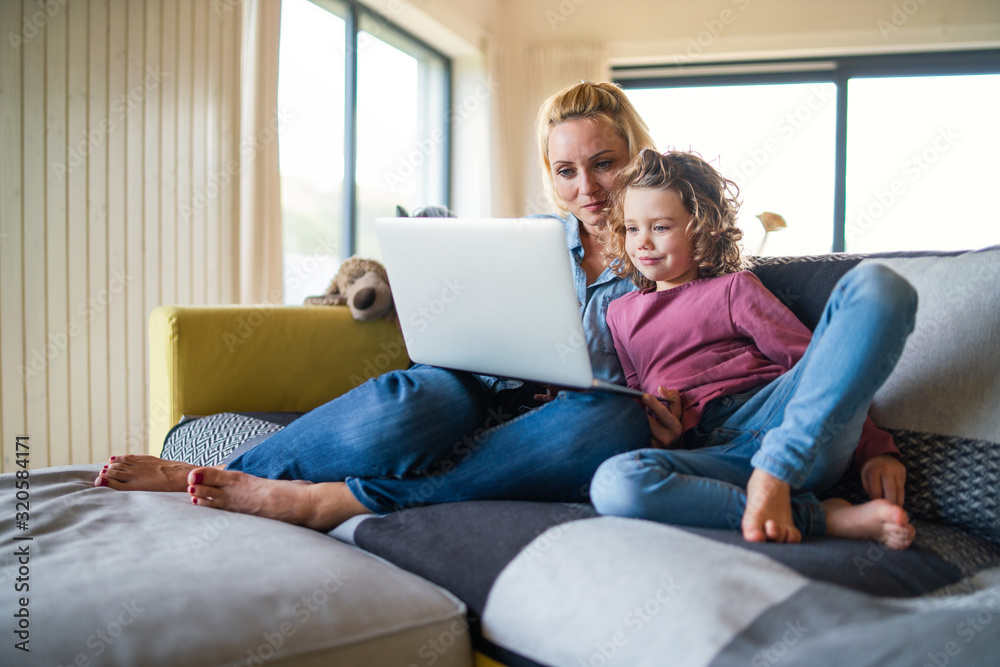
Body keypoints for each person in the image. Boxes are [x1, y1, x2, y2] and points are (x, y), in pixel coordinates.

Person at [95, 81, 663, 529]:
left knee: (614, 419)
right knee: (419, 394)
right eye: (566, 171)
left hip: (561, 422)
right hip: (476, 393)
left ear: (636, 157)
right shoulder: (528, 238)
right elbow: (458, 309)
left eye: (604, 162)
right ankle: (213, 474)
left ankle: (327, 502)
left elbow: (698, 365)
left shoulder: (670, 251)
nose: (586, 187)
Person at [589, 149, 917, 549]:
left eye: (660, 227)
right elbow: (642, 400)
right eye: (630, 229)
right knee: (613, 483)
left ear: (704, 228)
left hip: (786, 427)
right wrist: (663, 436)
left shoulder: (733, 288)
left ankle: (776, 471)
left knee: (879, 286)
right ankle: (819, 517)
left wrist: (875, 451)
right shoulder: (619, 313)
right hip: (717, 459)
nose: (642, 242)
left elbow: (819, 371)